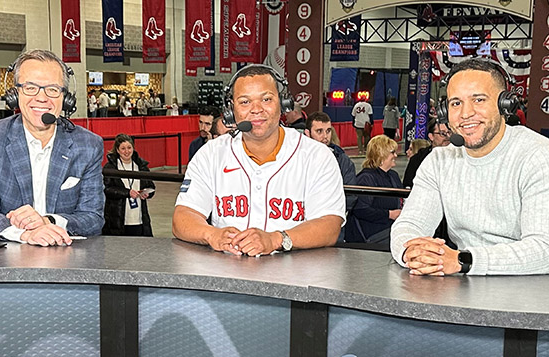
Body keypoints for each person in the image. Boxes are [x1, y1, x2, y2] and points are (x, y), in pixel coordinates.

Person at [390, 58, 549, 279]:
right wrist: (411, 252)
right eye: (456, 103)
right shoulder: (439, 161)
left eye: (479, 100)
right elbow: (409, 224)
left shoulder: (541, 156)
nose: (466, 114)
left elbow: (546, 251)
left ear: (505, 105)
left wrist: (461, 260)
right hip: (476, 284)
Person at [172, 64, 346, 256]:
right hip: (226, 275)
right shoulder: (211, 154)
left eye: (266, 99)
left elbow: (329, 226)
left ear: (283, 103)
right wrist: (212, 234)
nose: (256, 110)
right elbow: (182, 218)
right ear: (231, 111)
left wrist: (276, 239)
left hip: (295, 276)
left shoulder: (317, 156)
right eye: (245, 102)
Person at [0, 49, 105, 246]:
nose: (42, 98)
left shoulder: (88, 144)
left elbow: (92, 218)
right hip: (9, 261)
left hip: (67, 260)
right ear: (15, 93)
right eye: (31, 87)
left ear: (65, 98)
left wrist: (47, 222)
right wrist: (25, 233)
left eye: (52, 89)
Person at [305, 111, 357, 241]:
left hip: (332, 226)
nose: (325, 136)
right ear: (307, 133)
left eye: (328, 131)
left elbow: (351, 195)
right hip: (300, 224)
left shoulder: (343, 160)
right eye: (319, 131)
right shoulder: (295, 158)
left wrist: (335, 216)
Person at [346, 135, 403, 244]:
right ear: (381, 154)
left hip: (390, 228)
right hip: (372, 233)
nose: (396, 155)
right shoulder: (366, 178)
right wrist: (389, 214)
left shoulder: (393, 175)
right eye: (392, 152)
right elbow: (360, 210)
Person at [103, 133, 156, 236]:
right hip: (118, 219)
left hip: (139, 218)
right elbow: (106, 189)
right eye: (123, 148)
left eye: (129, 148)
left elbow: (151, 186)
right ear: (117, 150)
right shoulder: (110, 168)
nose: (126, 151)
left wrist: (147, 193)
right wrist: (127, 193)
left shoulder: (141, 166)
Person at [403, 120, 450, 188]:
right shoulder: (418, 159)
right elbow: (408, 185)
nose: (447, 137)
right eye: (442, 134)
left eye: (449, 133)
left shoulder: (458, 157)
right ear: (431, 136)